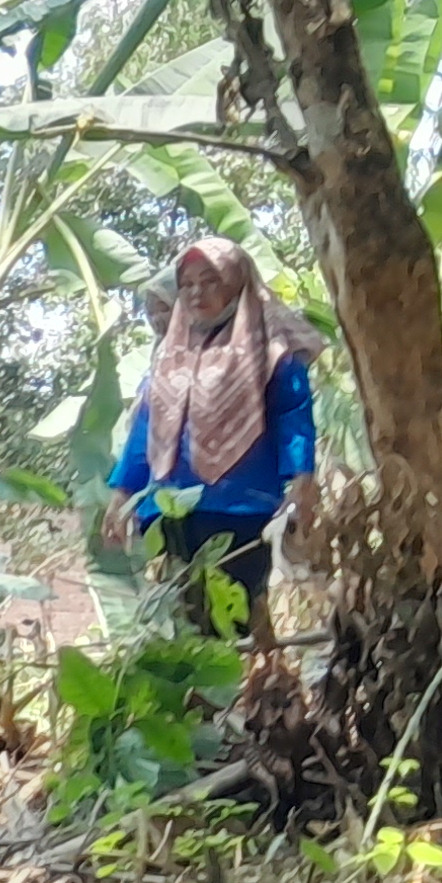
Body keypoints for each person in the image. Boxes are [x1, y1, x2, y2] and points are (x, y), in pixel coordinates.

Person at [111, 237, 321, 642]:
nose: (196, 292)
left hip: (239, 508)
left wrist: (302, 479)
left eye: (210, 281)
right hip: (169, 508)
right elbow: (146, 428)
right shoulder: (172, 354)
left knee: (234, 618)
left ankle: (243, 702)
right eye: (187, 283)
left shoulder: (271, 348)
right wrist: (122, 492)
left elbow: (292, 415)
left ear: (237, 282)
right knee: (185, 625)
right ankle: (201, 705)